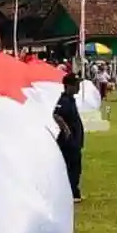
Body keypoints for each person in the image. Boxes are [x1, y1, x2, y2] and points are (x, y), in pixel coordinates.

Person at [53, 73, 85, 202]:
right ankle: (70, 193)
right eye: (76, 84)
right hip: (69, 142)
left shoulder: (71, 99)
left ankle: (75, 192)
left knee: (76, 167)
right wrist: (66, 130)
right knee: (71, 168)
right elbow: (56, 115)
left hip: (75, 141)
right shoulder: (64, 100)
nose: (78, 87)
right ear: (68, 86)